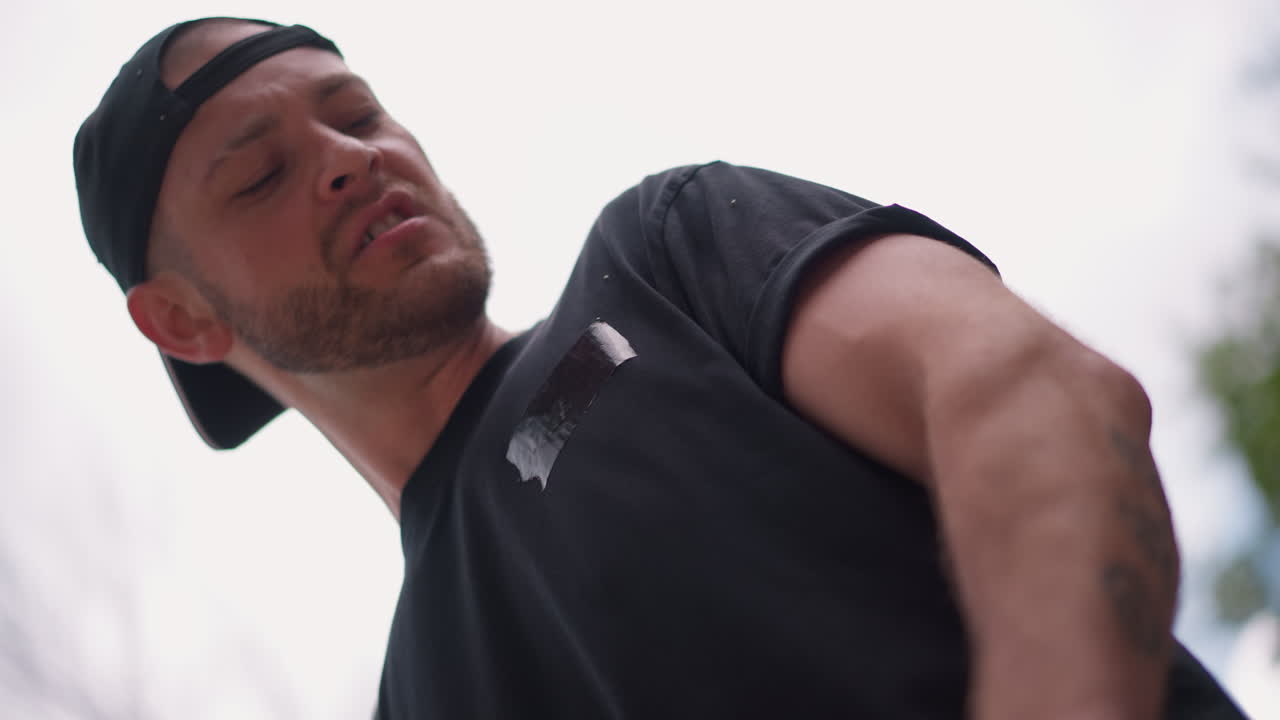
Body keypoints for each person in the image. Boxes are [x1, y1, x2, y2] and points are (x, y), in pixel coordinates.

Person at [73, 16, 1247, 720]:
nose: (343, 159)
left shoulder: (655, 262)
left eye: (357, 114)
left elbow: (1019, 391)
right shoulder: (418, 698)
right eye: (259, 175)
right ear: (182, 321)